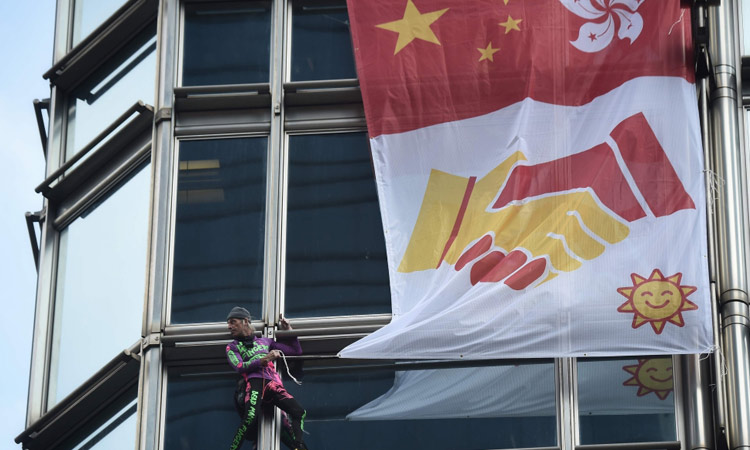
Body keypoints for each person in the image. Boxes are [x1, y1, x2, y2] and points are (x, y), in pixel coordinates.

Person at [226, 306, 308, 450]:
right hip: (255, 383)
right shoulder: (233, 346)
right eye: (229, 323)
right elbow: (239, 366)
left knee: (299, 412)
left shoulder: (265, 341)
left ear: (245, 321)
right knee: (250, 419)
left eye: (233, 322)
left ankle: (298, 446)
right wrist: (264, 360)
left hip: (273, 383)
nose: (229, 327)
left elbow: (296, 351)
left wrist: (289, 330)